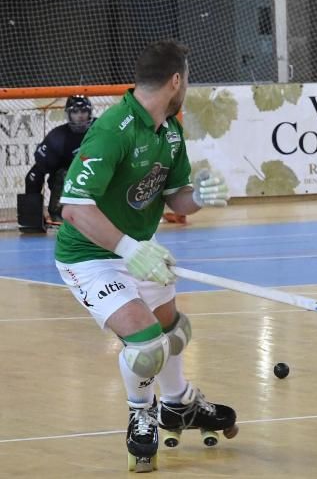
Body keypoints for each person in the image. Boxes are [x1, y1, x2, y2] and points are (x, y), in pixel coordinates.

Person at [55, 40, 235, 472]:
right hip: (90, 256)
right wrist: (128, 248)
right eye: (187, 79)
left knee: (175, 331)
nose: (187, 85)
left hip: (139, 251)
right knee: (146, 347)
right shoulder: (113, 129)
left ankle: (179, 404)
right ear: (176, 80)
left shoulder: (169, 132)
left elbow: (176, 199)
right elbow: (75, 208)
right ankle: (142, 413)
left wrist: (200, 197)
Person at [16, 95, 94, 233]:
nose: (80, 116)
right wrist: (33, 219)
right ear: (68, 114)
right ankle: (58, 213)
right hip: (68, 183)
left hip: (97, 177)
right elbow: (35, 174)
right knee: (45, 175)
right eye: (75, 112)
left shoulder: (101, 129)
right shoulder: (57, 137)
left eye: (83, 111)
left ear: (90, 112)